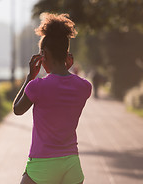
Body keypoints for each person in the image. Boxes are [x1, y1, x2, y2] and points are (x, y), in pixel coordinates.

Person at [13, 13, 92, 184]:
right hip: (71, 164)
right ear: (66, 54)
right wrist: (66, 70)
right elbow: (65, 85)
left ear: (44, 54)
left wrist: (29, 77)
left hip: (42, 164)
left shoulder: (37, 87)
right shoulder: (84, 87)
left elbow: (17, 109)